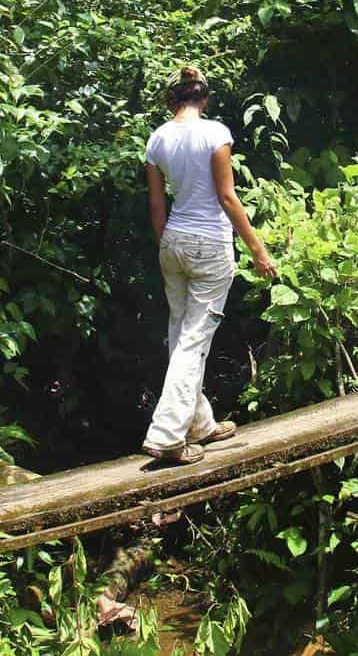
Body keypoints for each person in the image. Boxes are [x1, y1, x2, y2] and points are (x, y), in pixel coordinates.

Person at [141, 67, 278, 465]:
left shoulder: (158, 137)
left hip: (173, 241)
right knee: (194, 339)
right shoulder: (215, 133)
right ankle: (167, 435)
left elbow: (155, 204)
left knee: (180, 333)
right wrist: (258, 250)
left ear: (173, 99)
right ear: (204, 99)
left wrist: (166, 241)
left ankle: (200, 423)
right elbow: (227, 196)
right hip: (209, 245)